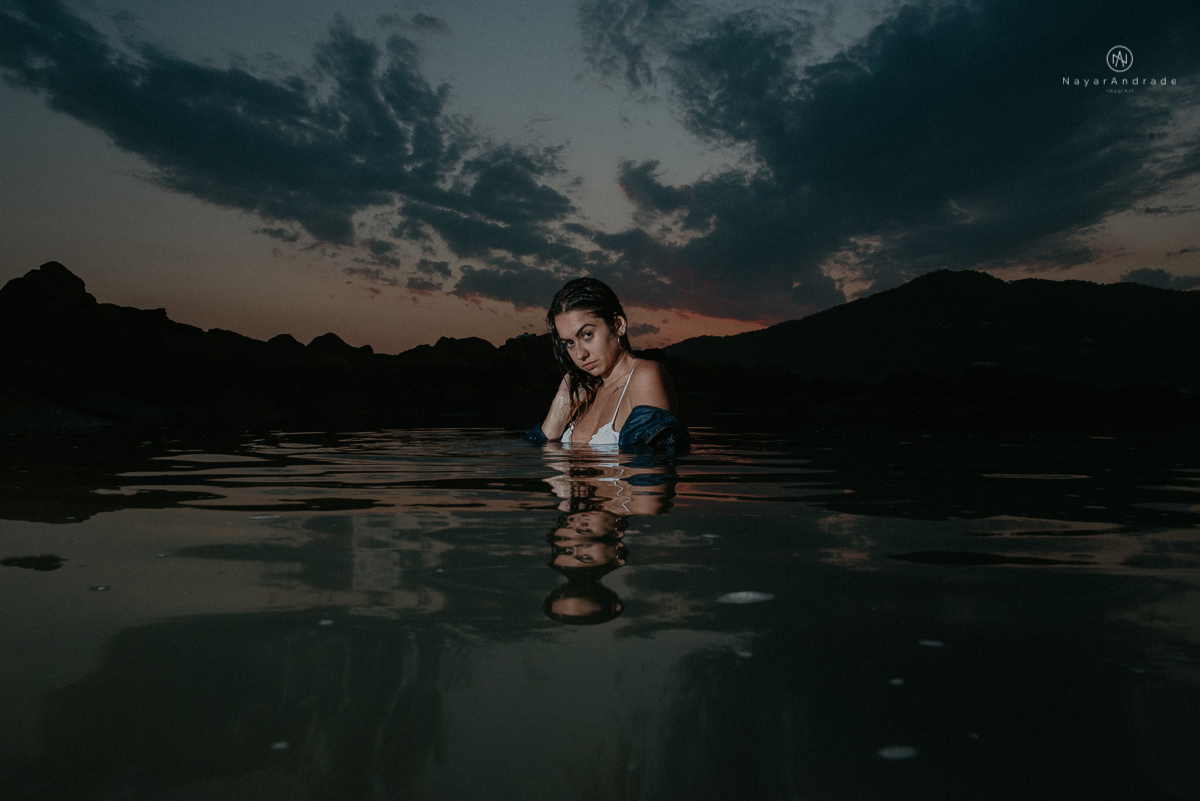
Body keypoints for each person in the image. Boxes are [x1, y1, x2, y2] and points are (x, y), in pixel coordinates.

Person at [524, 277, 689, 452]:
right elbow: (532, 461)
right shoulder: (583, 395)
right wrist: (561, 404)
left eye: (587, 334)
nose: (580, 354)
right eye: (569, 343)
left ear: (618, 325)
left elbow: (651, 470)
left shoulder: (644, 376)